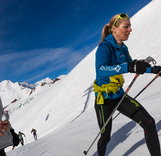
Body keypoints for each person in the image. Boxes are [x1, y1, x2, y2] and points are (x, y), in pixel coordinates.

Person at [94, 13, 161, 156]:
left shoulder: (123, 48)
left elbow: (132, 65)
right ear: (114, 29)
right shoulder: (104, 47)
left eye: (130, 26)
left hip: (118, 95)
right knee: (106, 137)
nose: (130, 29)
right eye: (127, 26)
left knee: (149, 123)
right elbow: (101, 70)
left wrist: (153, 69)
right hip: (103, 99)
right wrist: (129, 67)